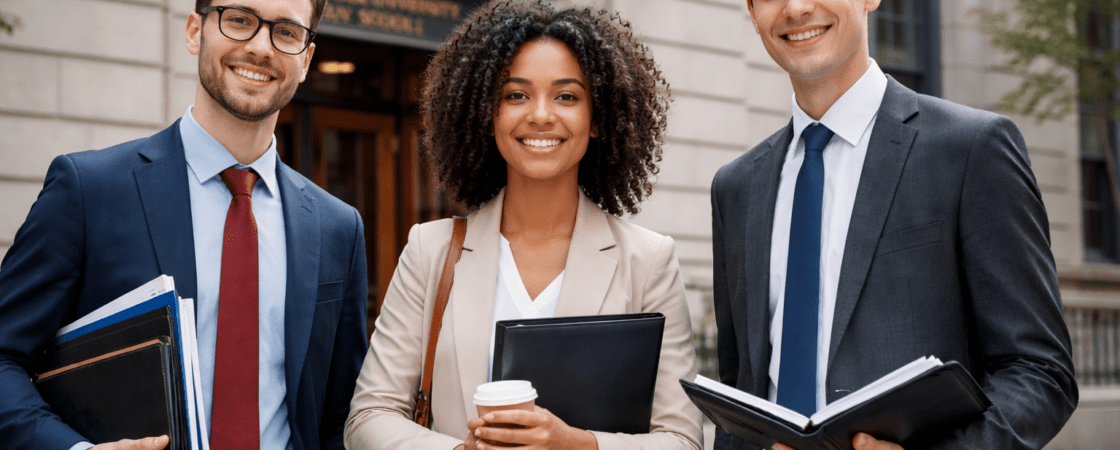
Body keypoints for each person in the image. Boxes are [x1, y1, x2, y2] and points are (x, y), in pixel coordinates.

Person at [0, 0, 368, 449]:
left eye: (287, 32)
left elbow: (340, 415)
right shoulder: (89, 191)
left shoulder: (337, 228)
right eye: (239, 20)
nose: (260, 46)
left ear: (306, 59)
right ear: (195, 30)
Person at [710, 1, 1078, 449]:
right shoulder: (736, 188)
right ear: (751, 11)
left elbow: (1040, 371)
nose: (797, 7)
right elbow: (740, 392)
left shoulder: (971, 149)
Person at [344, 1, 702, 449]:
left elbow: (682, 439)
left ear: (597, 120)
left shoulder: (647, 260)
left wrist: (577, 445)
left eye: (566, 96)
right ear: (487, 115)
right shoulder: (430, 250)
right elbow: (368, 417)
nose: (539, 115)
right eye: (516, 95)